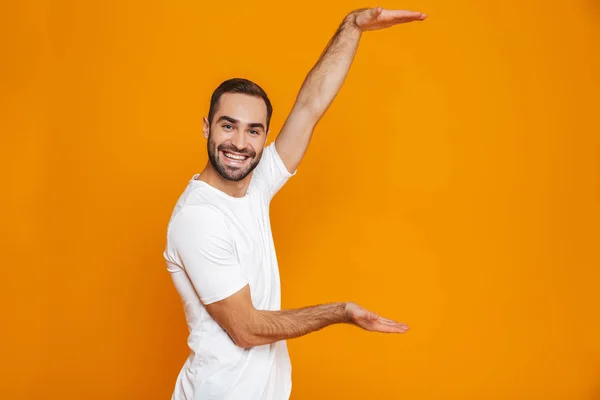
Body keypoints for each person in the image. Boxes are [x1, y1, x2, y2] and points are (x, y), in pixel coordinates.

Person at [162, 6, 427, 399]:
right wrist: (338, 313)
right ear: (207, 126)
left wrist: (352, 26)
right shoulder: (198, 219)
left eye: (254, 131)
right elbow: (246, 328)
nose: (239, 143)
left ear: (265, 135)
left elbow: (309, 107)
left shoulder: (254, 184)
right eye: (227, 125)